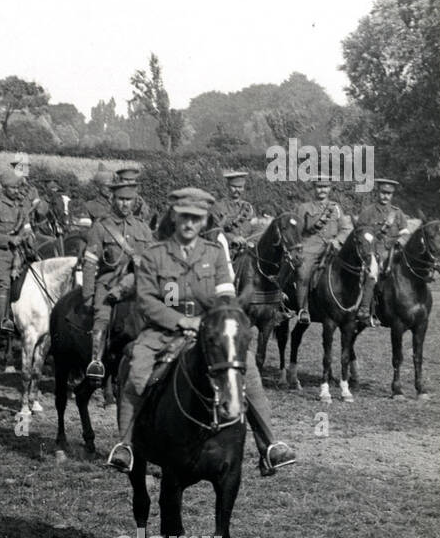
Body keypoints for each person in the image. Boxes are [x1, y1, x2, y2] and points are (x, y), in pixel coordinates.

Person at [108, 187, 296, 477]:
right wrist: (181, 322)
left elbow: (225, 294)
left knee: (248, 370)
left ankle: (269, 444)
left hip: (210, 331)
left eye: (196, 218)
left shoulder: (214, 254)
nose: (189, 224)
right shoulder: (156, 255)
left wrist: (216, 319)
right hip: (163, 332)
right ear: (174, 217)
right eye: (184, 217)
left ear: (203, 221)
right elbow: (146, 300)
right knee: (136, 371)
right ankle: (127, 446)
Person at [79, 179, 153, 379]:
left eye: (129, 199)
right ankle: (96, 362)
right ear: (113, 199)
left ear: (135, 200)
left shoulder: (143, 228)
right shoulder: (101, 227)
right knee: (102, 317)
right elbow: (90, 263)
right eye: (121, 199)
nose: (125, 204)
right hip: (110, 282)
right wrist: (88, 295)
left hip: (141, 282)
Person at [0, 170, 33, 348]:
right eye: (13, 187)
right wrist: (9, 239)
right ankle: (3, 329)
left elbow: (27, 228)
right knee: (4, 285)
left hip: (21, 253)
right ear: (3, 188)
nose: (16, 190)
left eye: (18, 187)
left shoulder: (21, 208)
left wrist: (29, 237)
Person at [293, 177, 353, 325]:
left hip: (332, 249)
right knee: (302, 273)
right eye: (319, 187)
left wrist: (337, 240)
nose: (322, 190)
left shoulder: (336, 208)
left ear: (330, 189)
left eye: (325, 187)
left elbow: (346, 229)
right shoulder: (304, 208)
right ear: (314, 188)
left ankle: (355, 307)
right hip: (310, 247)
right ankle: (303, 310)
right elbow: (296, 231)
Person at [356, 177, 413, 327]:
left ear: (392, 195)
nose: (385, 196)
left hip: (393, 251)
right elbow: (361, 232)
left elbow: (405, 232)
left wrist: (400, 242)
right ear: (378, 192)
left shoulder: (397, 213)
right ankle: (364, 309)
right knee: (373, 272)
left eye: (389, 193)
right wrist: (371, 244)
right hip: (373, 251)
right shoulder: (368, 212)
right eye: (383, 192)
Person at [212, 169, 259, 249]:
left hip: (247, 250)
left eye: (240, 187)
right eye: (234, 187)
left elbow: (256, 228)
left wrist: (252, 241)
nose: (237, 190)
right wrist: (232, 238)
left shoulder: (248, 208)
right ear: (227, 186)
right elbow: (213, 231)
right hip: (226, 250)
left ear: (243, 188)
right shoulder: (218, 206)